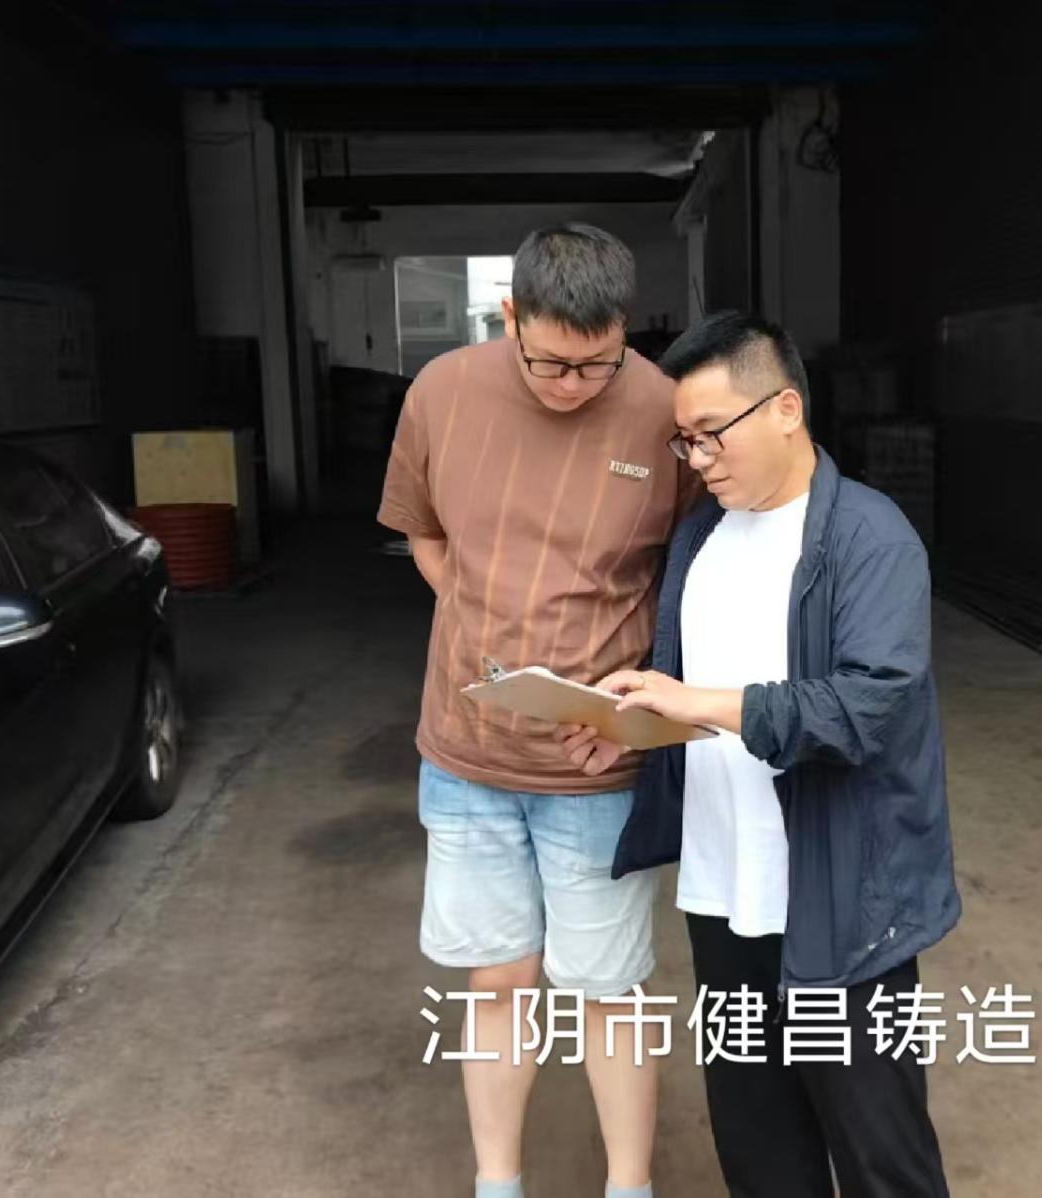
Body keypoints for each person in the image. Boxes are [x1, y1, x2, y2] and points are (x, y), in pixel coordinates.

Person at [560, 312, 960, 1198]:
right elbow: (689, 700)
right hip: (721, 893)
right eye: (685, 441)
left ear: (785, 408)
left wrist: (695, 701)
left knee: (881, 1156)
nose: (698, 459)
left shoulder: (869, 538)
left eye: (712, 433)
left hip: (841, 901)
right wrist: (629, 729)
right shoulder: (700, 537)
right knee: (759, 1153)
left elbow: (865, 708)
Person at [379, 223, 694, 1198]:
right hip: (467, 753)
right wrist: (479, 618)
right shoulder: (441, 393)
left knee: (607, 987)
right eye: (550, 362)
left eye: (597, 365)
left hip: (594, 766)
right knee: (498, 980)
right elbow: (426, 536)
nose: (572, 386)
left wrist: (636, 702)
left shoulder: (665, 410)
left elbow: (692, 579)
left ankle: (629, 1185)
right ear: (509, 315)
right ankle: (497, 1182)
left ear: (625, 331)